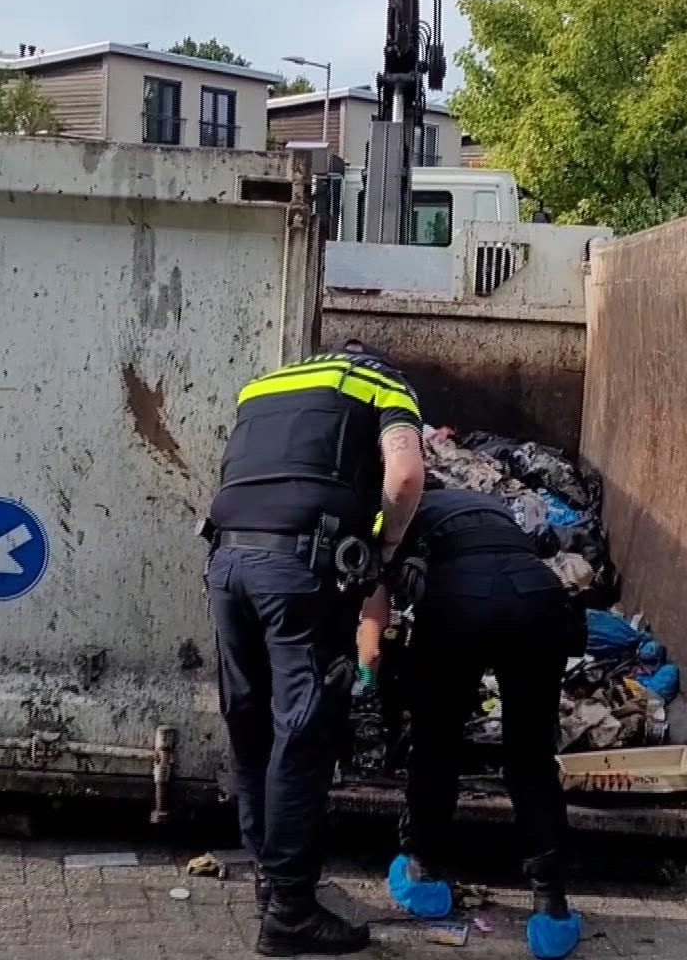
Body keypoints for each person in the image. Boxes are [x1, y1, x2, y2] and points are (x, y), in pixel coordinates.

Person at [205, 339, 426, 956]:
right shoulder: (382, 382)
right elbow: (405, 476)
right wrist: (381, 550)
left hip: (227, 564)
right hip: (299, 573)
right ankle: (291, 913)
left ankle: (269, 887)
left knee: (250, 729)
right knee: (301, 734)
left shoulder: (263, 386)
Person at [360, 486, 585, 960]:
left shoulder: (394, 510)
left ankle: (423, 876)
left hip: (460, 600)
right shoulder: (487, 505)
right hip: (537, 598)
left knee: (437, 743)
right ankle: (553, 909)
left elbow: (374, 608)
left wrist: (372, 663)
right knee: (531, 759)